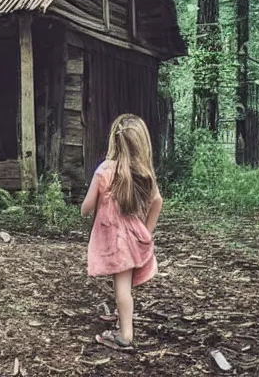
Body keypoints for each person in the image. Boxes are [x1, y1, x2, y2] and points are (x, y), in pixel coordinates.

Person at [81, 114, 163, 351]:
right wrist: (146, 233)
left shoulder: (104, 170)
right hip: (133, 236)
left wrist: (93, 203)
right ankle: (120, 316)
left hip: (115, 240)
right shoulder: (142, 172)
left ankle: (125, 335)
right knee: (120, 282)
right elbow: (157, 201)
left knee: (122, 289)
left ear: (114, 142)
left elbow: (85, 209)